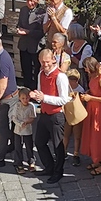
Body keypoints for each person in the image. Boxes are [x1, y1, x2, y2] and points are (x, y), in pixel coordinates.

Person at [33, 48, 70, 183]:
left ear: (53, 59)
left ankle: (58, 172)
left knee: (57, 146)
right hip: (44, 113)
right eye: (42, 62)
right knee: (39, 142)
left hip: (56, 115)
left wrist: (44, 98)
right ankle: (49, 167)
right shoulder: (41, 74)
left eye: (47, 61)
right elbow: (40, 92)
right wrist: (36, 96)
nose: (45, 65)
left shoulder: (60, 76)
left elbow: (64, 99)